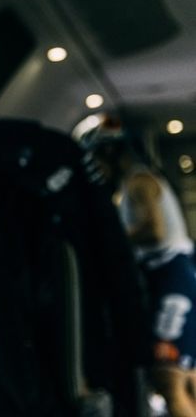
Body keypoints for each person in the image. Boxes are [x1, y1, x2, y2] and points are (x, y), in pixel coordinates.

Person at [83, 116, 196, 417]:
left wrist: (113, 240)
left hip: (171, 278)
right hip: (174, 278)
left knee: (168, 377)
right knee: (186, 377)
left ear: (110, 152)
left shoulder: (137, 182)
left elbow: (154, 231)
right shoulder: (137, 181)